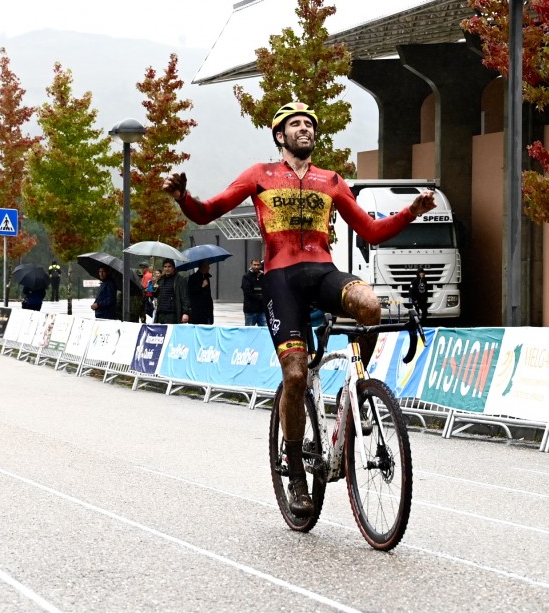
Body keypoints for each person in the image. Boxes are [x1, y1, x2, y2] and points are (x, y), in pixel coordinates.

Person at [165, 101, 435, 516]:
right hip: (281, 279)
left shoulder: (332, 180)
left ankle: (357, 393)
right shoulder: (260, 175)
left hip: (322, 271)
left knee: (370, 305)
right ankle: (295, 474)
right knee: (295, 374)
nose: (304, 128)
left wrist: (411, 211)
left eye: (309, 123)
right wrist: (184, 198)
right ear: (280, 135)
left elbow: (371, 231)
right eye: (295, 124)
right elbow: (210, 211)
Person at [153, 259, 190, 324]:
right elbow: (156, 295)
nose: (167, 269)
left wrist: (185, 312)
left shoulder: (180, 280)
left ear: (173, 268)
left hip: (173, 315)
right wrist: (153, 287)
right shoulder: (161, 280)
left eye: (169, 266)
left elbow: (185, 297)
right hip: (161, 314)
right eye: (165, 267)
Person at [241, 259, 267, 326]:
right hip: (250, 310)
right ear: (251, 265)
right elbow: (248, 292)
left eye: (258, 265)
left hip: (262, 310)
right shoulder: (246, 277)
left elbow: (266, 289)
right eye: (254, 265)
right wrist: (261, 297)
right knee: (249, 332)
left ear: (261, 266)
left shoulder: (263, 276)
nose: (256, 267)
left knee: (264, 331)